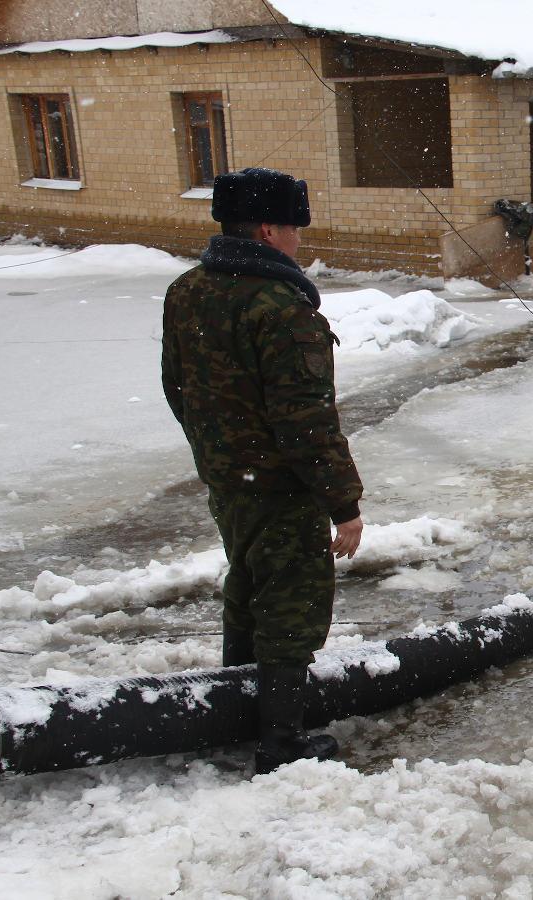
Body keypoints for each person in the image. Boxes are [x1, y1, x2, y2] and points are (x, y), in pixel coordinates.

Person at [161, 167, 364, 774]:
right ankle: (281, 744)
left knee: (247, 588)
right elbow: (305, 421)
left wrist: (218, 454)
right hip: (279, 485)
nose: (302, 240)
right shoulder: (280, 307)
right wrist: (344, 504)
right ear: (270, 231)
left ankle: (235, 706)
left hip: (228, 481)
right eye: (297, 228)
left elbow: (177, 388)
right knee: (291, 604)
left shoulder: (189, 289)